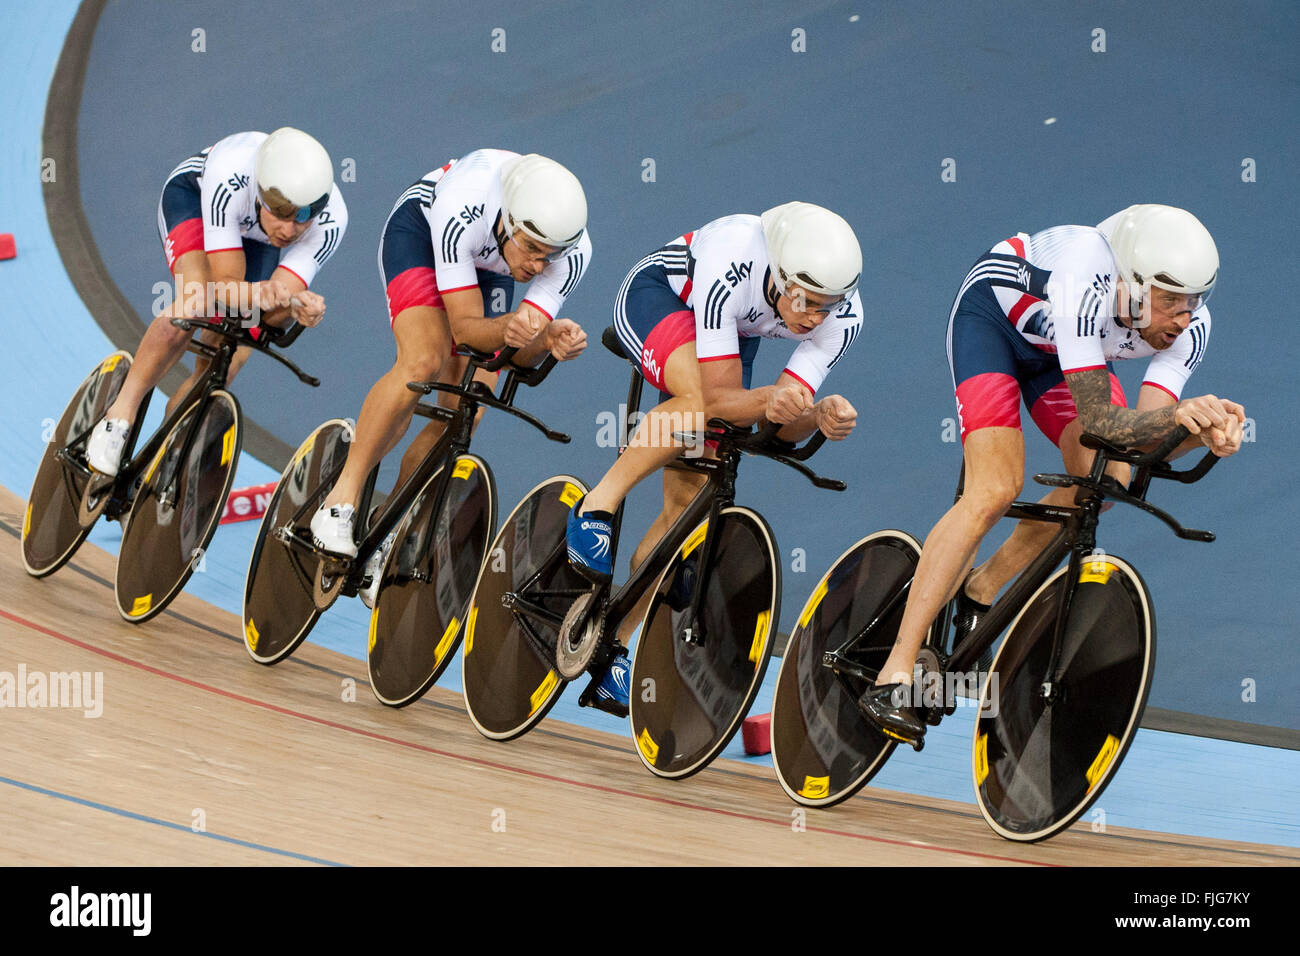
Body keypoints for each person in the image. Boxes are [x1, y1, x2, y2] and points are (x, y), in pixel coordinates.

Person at [860, 204, 1246, 744]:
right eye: (1170, 301)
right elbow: (1103, 419)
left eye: (1194, 301)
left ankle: (981, 590)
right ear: (1131, 286)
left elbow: (1140, 442)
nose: (1184, 317)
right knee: (994, 488)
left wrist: (1200, 433)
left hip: (1065, 355)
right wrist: (1177, 420)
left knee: (1111, 477)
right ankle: (896, 670)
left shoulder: (1190, 328)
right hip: (993, 324)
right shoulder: (1082, 278)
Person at [565, 202, 863, 716]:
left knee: (685, 512)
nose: (817, 317)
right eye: (809, 302)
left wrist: (814, 414)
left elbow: (775, 420)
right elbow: (720, 400)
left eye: (828, 305)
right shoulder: (734, 259)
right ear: (780, 276)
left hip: (732, 333)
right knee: (698, 404)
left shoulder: (843, 317)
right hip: (662, 297)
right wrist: (769, 399)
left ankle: (611, 643)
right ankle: (597, 506)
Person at [308, 150, 590, 607]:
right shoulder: (464, 206)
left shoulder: (569, 254)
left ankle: (386, 526)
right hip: (423, 234)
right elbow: (466, 330)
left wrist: (549, 338)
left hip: (487, 265)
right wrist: (511, 328)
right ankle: (341, 499)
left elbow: (514, 351)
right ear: (508, 221)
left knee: (472, 403)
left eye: (550, 256)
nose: (539, 266)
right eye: (533, 250)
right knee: (425, 360)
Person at [86, 127, 348, 474]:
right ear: (260, 193)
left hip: (258, 241)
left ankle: (162, 458)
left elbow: (276, 302)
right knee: (196, 302)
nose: (290, 229)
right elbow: (225, 285)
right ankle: (119, 415)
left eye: (303, 217)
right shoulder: (231, 172)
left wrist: (297, 306)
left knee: (230, 354)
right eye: (281, 213)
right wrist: (260, 294)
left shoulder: (330, 221)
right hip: (195, 202)